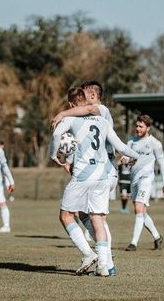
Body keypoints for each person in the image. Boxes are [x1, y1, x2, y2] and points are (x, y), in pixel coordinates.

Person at [50, 87, 139, 276]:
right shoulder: (103, 121)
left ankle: (88, 254)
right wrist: (135, 155)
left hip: (83, 176)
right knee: (96, 220)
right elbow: (121, 146)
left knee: (65, 216)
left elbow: (57, 135)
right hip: (102, 177)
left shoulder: (71, 118)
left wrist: (54, 155)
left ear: (71, 104)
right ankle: (105, 268)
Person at [124, 115, 164, 252]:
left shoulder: (155, 143)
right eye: (137, 126)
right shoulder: (131, 142)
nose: (138, 128)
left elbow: (161, 163)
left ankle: (133, 243)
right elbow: (128, 158)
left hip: (146, 178)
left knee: (139, 207)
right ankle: (157, 237)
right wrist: (124, 160)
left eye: (141, 126)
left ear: (148, 128)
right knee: (141, 211)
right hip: (134, 179)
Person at [0, 141, 12, 233]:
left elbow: (5, 170)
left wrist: (8, 184)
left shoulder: (1, 156)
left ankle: (6, 226)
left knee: (1, 203)